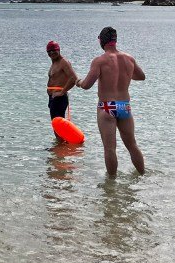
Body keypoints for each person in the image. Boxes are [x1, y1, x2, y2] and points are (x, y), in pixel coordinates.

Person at [76, 27, 146, 176]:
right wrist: (126, 74)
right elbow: (141, 76)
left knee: (109, 149)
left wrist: (78, 82)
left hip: (107, 107)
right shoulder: (129, 58)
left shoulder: (99, 61)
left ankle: (111, 184)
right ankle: (143, 175)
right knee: (132, 145)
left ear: (102, 41)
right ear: (115, 40)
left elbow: (87, 85)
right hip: (124, 106)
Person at [45, 40, 78, 121]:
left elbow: (74, 78)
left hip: (59, 98)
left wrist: (62, 92)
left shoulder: (63, 62)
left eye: (54, 50)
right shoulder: (54, 62)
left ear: (59, 50)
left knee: (58, 124)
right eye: (49, 51)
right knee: (56, 124)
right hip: (53, 98)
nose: (52, 52)